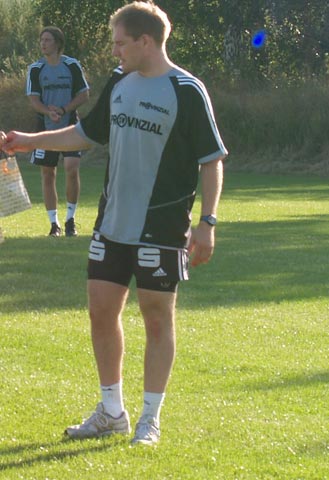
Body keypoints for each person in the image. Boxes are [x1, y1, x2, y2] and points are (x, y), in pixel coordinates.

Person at [1, 1, 227, 446]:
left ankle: (149, 418)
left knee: (157, 318)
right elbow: (87, 134)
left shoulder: (186, 90)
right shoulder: (119, 82)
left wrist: (207, 222)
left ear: (146, 41)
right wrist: (28, 141)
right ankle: (111, 411)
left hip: (162, 226)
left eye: (120, 43)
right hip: (111, 224)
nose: (114, 51)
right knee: (101, 312)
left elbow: (211, 160)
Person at [27, 26, 90, 237]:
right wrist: (49, 111)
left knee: (71, 168)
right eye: (41, 40)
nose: (43, 44)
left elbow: (84, 95)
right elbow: (34, 100)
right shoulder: (35, 69)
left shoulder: (71, 65)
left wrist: (64, 110)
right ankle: (54, 224)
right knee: (48, 173)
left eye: (47, 40)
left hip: (70, 126)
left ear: (58, 43)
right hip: (45, 129)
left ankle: (70, 220)